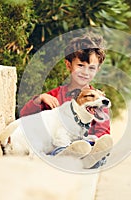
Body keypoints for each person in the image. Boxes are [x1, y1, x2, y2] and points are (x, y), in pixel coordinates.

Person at [20, 33, 112, 169]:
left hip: (86, 147)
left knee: (100, 154)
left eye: (91, 68)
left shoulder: (98, 101)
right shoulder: (55, 95)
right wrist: (40, 99)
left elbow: (102, 131)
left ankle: (84, 160)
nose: (85, 72)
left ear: (97, 69)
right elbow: (25, 115)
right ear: (68, 65)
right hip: (59, 145)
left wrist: (92, 142)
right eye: (80, 65)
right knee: (59, 148)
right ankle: (65, 158)